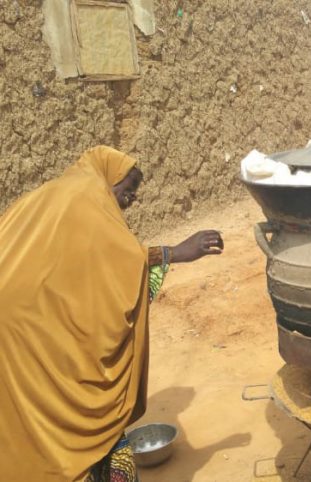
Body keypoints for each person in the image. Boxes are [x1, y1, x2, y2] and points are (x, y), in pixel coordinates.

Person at [0, 146, 224, 481]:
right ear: (109, 177)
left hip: (16, 326)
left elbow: (100, 261)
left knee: (26, 415)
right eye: (128, 188)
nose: (131, 198)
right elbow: (119, 272)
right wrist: (175, 253)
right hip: (34, 328)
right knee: (81, 418)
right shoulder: (87, 196)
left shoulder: (50, 196)